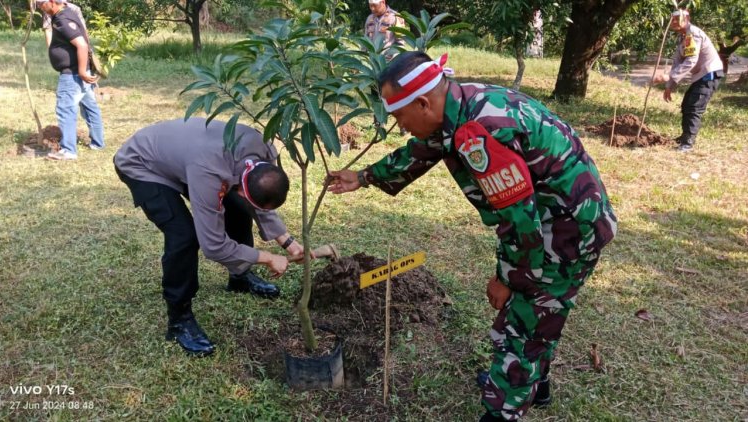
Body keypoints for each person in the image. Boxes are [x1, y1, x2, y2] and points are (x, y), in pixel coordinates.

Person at [328, 52, 617, 421]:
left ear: (422, 103)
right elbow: (426, 147)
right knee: (541, 313)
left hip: (565, 231)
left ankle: (504, 406)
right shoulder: (459, 103)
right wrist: (365, 176)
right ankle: (534, 387)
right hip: (560, 216)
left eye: (399, 116)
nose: (399, 126)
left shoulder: (480, 132)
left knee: (522, 327)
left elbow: (520, 222)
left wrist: (507, 279)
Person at [114, 118, 307, 356]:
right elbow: (213, 246)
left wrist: (288, 242)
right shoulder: (208, 172)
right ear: (240, 185)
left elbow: (259, 201)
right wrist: (267, 257)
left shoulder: (264, 150)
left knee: (238, 206)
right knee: (184, 236)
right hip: (143, 164)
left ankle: (240, 277)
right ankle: (179, 320)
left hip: (185, 157)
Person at [37, 0, 104, 161]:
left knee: (65, 109)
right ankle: (98, 143)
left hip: (73, 74)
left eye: (41, 3)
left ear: (52, 2)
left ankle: (68, 151)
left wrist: (81, 71)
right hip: (79, 71)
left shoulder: (62, 19)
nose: (40, 7)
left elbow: (81, 45)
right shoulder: (67, 12)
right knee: (89, 107)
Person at [653, 9, 724, 152]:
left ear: (686, 19)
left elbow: (691, 60)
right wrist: (669, 86)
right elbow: (677, 62)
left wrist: (670, 76)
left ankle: (688, 143)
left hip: (709, 73)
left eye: (677, 19)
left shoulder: (693, 34)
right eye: (672, 19)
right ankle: (685, 137)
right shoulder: (682, 37)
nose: (673, 22)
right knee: (686, 105)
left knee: (694, 107)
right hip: (700, 76)